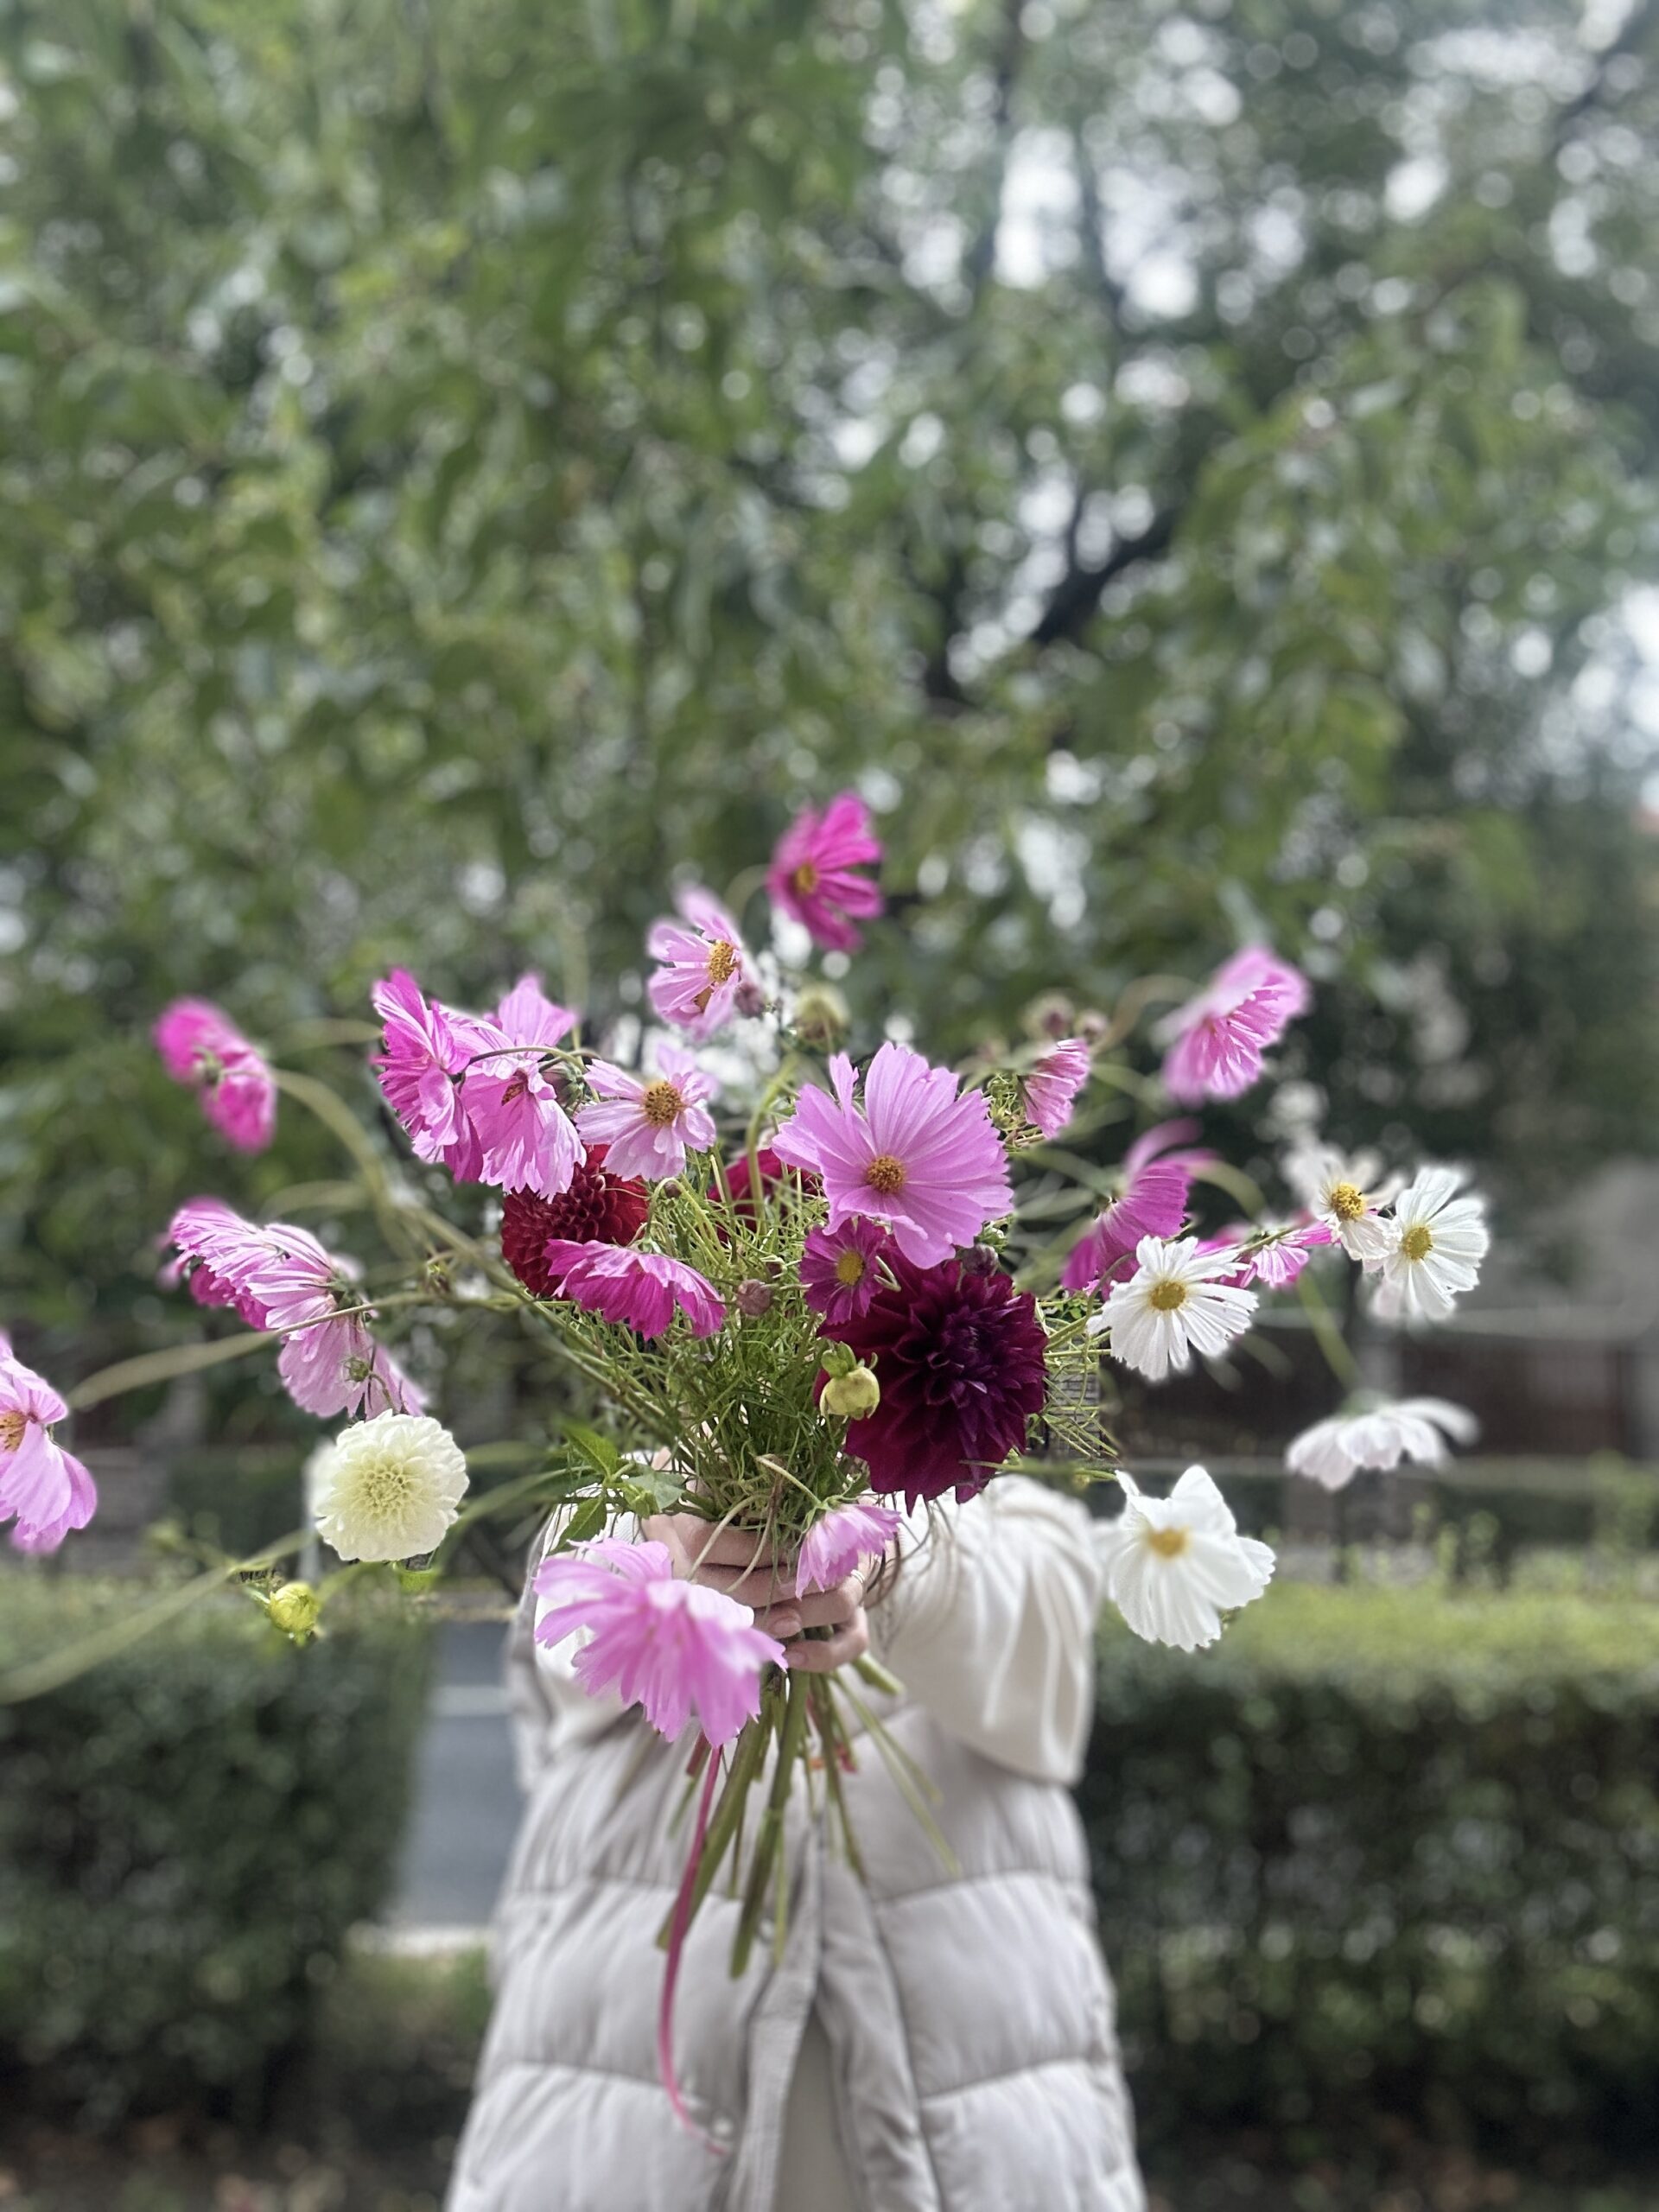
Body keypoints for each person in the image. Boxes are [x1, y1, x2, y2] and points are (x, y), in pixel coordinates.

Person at [447, 1476, 1146, 2212]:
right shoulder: (621, 1496)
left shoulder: (1013, 1516)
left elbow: (1046, 1662)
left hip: (983, 2129)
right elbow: (566, 1645)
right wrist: (672, 1550)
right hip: (621, 2118)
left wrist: (886, 1555)